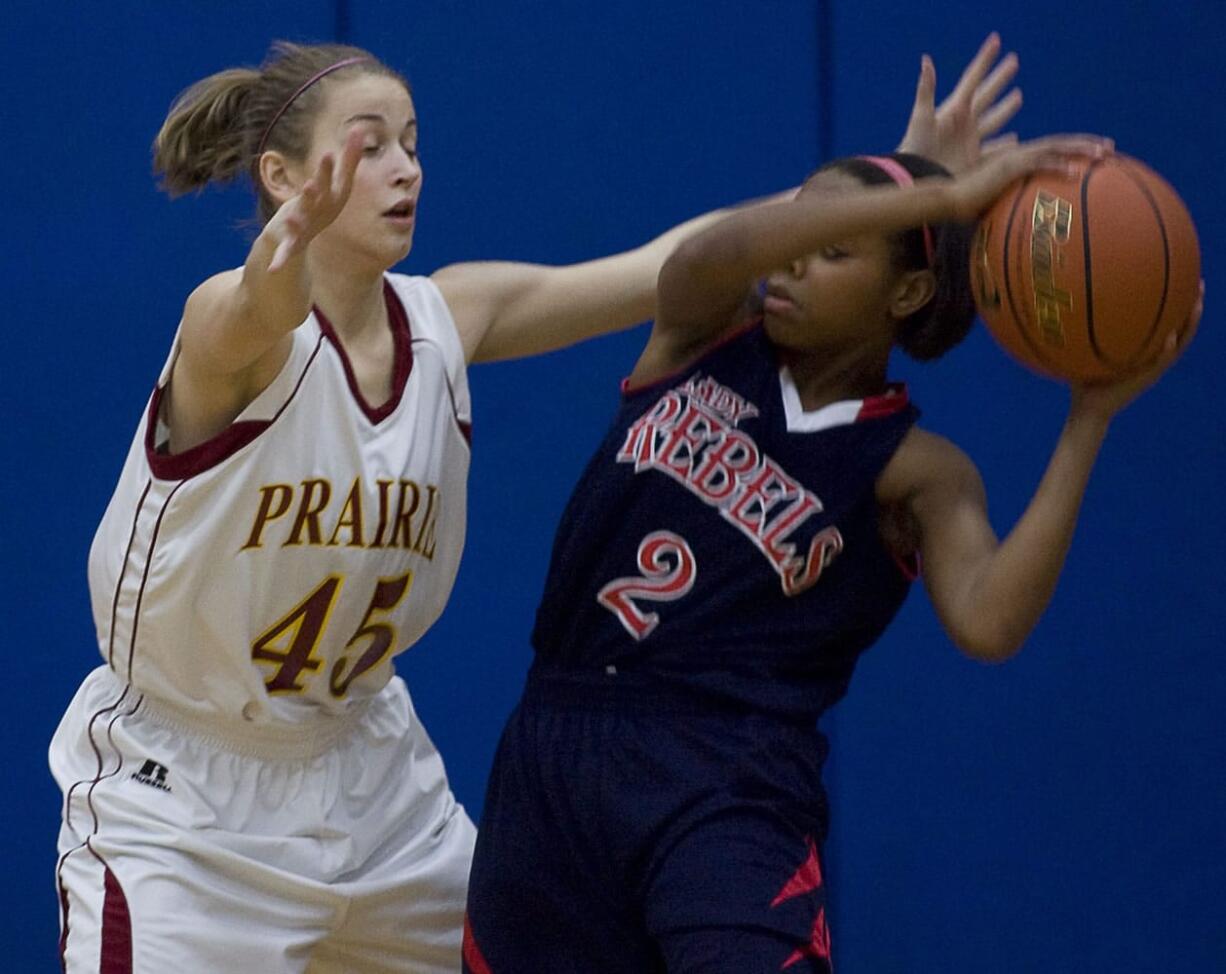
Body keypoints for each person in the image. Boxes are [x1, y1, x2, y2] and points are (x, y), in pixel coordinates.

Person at [48, 39, 794, 974]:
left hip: (372, 785)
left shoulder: (448, 318)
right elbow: (257, 308)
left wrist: (878, 194)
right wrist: (279, 260)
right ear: (281, 176)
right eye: (371, 147)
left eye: (412, 142)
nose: (407, 168)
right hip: (187, 806)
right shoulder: (229, 330)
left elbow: (668, 267)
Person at [461, 59, 1202, 974]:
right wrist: (917, 186)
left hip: (725, 783)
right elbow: (712, 251)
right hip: (556, 747)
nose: (793, 255)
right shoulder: (701, 332)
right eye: (797, 229)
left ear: (907, 294)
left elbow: (990, 620)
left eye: (834, 248)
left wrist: (1088, 420)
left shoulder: (916, 471)